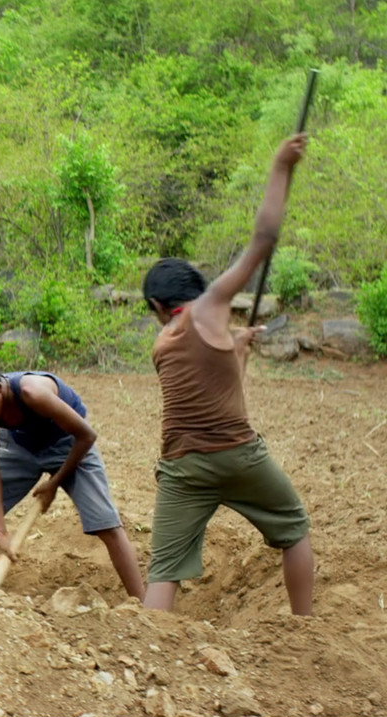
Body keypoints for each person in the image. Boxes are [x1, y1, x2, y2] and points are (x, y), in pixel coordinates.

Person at [141, 134, 313, 615]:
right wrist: (280, 166)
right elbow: (263, 240)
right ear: (200, 292)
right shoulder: (208, 307)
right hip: (239, 456)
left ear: (157, 306)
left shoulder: (164, 341)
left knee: (164, 569)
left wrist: (236, 344)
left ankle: (147, 641)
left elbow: (215, 382)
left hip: (183, 467)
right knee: (295, 530)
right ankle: (305, 624)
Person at [0, 351, 144, 601]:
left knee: (106, 523)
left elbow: (86, 435)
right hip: (20, 445)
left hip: (70, 442)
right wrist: (0, 531)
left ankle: (143, 607)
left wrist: (54, 484)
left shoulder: (33, 392)